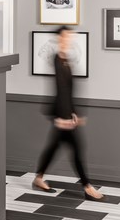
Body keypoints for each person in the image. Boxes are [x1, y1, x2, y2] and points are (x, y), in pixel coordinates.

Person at [32, 26, 104, 201]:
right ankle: (87, 187)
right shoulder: (58, 59)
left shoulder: (66, 59)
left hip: (65, 114)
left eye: (70, 37)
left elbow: (70, 90)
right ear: (59, 38)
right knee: (77, 149)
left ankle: (38, 178)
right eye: (65, 37)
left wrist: (74, 113)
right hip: (60, 114)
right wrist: (62, 118)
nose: (68, 39)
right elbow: (60, 89)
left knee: (54, 147)